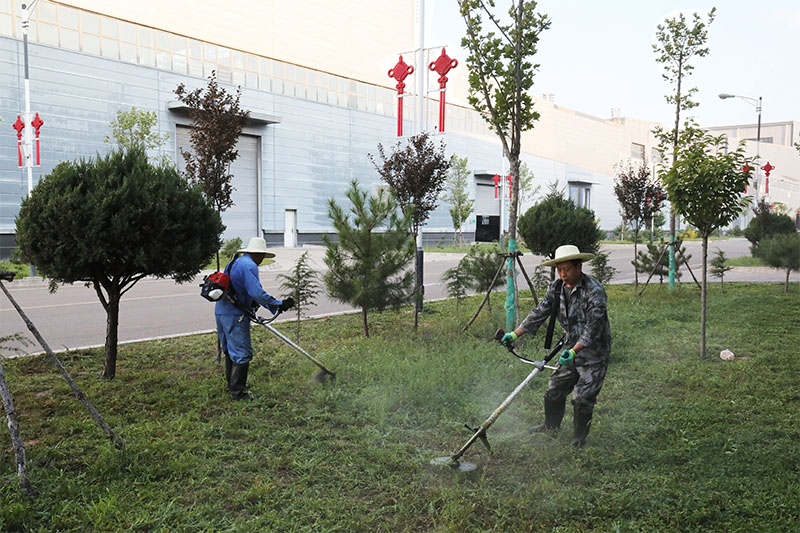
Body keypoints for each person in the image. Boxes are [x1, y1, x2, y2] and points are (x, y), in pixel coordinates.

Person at [501, 244, 611, 447]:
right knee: (554, 388)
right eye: (559, 270)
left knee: (582, 397)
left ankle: (579, 438)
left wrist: (574, 351)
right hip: (569, 348)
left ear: (579, 266)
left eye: (566, 269)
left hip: (593, 352)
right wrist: (515, 334)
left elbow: (593, 328)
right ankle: (551, 426)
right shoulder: (557, 287)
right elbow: (540, 312)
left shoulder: (594, 291)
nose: (562, 274)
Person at [215, 237, 287, 400]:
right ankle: (238, 393)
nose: (262, 260)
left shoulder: (234, 262)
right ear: (258, 254)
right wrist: (278, 304)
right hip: (235, 315)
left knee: (230, 350)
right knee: (242, 352)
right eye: (262, 256)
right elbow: (256, 292)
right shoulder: (249, 265)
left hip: (221, 311)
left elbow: (238, 288)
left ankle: (231, 385)